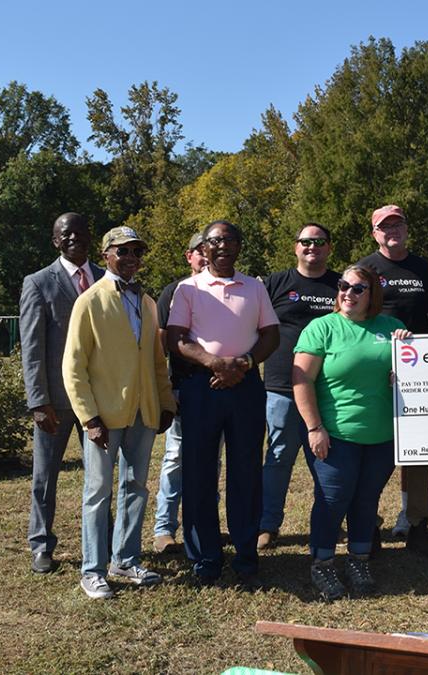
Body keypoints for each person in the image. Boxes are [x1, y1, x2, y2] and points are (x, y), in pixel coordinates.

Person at [62, 227, 177, 599]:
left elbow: (157, 360)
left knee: (135, 488)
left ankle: (124, 560)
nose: (131, 258)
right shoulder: (90, 300)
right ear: (106, 254)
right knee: (97, 492)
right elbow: (73, 365)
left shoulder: (146, 301)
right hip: (104, 418)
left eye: (137, 252)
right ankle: (92, 570)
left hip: (143, 413)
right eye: (122, 251)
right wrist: (88, 418)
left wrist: (165, 402)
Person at [166, 220, 280, 586]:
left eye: (230, 240)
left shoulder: (254, 288)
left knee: (246, 471)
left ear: (239, 246)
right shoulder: (188, 288)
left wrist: (243, 364)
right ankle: (206, 557)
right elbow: (177, 339)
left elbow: (271, 334)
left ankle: (246, 556)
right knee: (198, 472)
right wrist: (215, 363)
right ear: (204, 248)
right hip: (203, 386)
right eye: (215, 241)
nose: (223, 247)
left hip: (246, 384)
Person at [292, 265, 409, 600]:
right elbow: (301, 381)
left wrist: (408, 352)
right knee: (332, 499)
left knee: (366, 499)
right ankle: (323, 563)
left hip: (382, 436)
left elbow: (414, 373)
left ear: (372, 294)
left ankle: (359, 560)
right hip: (335, 433)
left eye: (359, 288)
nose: (349, 293)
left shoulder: (393, 328)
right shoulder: (322, 328)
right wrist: (314, 427)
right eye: (344, 286)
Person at [358, 205, 428, 559]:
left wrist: (425, 356)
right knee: (375, 451)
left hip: (416, 375)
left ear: (406, 229)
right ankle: (370, 523)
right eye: (384, 227)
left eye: (397, 224)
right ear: (375, 234)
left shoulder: (423, 268)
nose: (391, 231)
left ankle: (419, 525)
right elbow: (355, 316)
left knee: (417, 455)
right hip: (375, 370)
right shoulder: (366, 270)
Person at [19, 212, 104, 574]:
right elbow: (32, 347)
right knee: (45, 475)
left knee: (99, 477)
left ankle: (99, 543)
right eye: (65, 234)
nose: (74, 238)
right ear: (56, 241)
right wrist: (38, 401)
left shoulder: (106, 278)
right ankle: (41, 543)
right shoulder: (38, 283)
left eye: (80, 232)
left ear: (90, 236)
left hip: (99, 398)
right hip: (54, 400)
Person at [257, 223, 342, 549]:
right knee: (278, 457)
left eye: (320, 242)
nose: (312, 247)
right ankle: (267, 524)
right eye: (306, 242)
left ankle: (330, 523)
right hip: (280, 387)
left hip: (330, 389)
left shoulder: (340, 285)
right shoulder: (276, 283)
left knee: (327, 460)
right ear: (296, 247)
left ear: (328, 248)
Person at [153, 232, 207, 553]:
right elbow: (160, 346)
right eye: (198, 252)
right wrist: (166, 388)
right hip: (183, 389)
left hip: (216, 390)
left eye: (209, 251)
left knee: (210, 462)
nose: (204, 257)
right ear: (188, 256)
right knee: (175, 459)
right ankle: (164, 529)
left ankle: (202, 526)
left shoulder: (222, 290)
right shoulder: (173, 292)